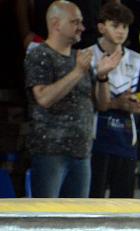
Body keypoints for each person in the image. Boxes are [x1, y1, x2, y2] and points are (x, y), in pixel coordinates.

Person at [24, 0, 120, 198]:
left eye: (81, 22)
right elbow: (43, 98)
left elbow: (102, 105)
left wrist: (103, 76)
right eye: (75, 22)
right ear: (56, 24)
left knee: (78, 215)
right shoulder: (40, 55)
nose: (82, 27)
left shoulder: (81, 58)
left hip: (82, 153)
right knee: (48, 214)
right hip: (51, 153)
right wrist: (77, 72)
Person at [89, 1, 140, 199]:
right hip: (96, 140)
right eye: (115, 25)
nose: (121, 31)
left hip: (126, 140)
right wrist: (117, 103)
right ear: (101, 27)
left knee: (123, 204)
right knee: (93, 200)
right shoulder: (87, 56)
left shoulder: (138, 61)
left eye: (125, 26)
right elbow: (89, 101)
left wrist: (137, 106)